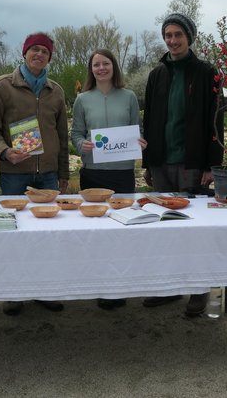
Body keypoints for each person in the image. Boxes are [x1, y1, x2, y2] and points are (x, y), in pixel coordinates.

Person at [0, 32, 69, 316]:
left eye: (45, 51)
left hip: (48, 175)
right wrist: (4, 151)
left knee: (45, 236)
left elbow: (62, 136)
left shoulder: (56, 91)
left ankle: (44, 289)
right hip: (15, 173)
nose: (39, 55)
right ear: (24, 53)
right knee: (14, 233)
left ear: (49, 57)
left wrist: (63, 172)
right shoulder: (2, 87)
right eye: (34, 50)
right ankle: (13, 291)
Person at [141, 13, 224, 317]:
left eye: (178, 35)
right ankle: (169, 288)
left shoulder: (206, 73)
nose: (172, 41)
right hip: (162, 162)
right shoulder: (156, 75)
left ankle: (199, 290)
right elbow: (149, 121)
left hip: (192, 162)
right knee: (165, 227)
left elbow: (216, 122)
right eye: (168, 35)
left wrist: (211, 165)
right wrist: (148, 163)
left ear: (190, 38)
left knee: (194, 229)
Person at [71, 49, 147, 310]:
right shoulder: (82, 99)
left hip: (123, 173)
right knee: (96, 232)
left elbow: (137, 128)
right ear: (91, 69)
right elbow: (76, 134)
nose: (101, 68)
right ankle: (97, 284)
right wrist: (82, 145)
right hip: (93, 173)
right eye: (96, 65)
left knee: (121, 232)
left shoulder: (128, 97)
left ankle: (119, 287)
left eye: (105, 63)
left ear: (114, 67)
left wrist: (140, 141)